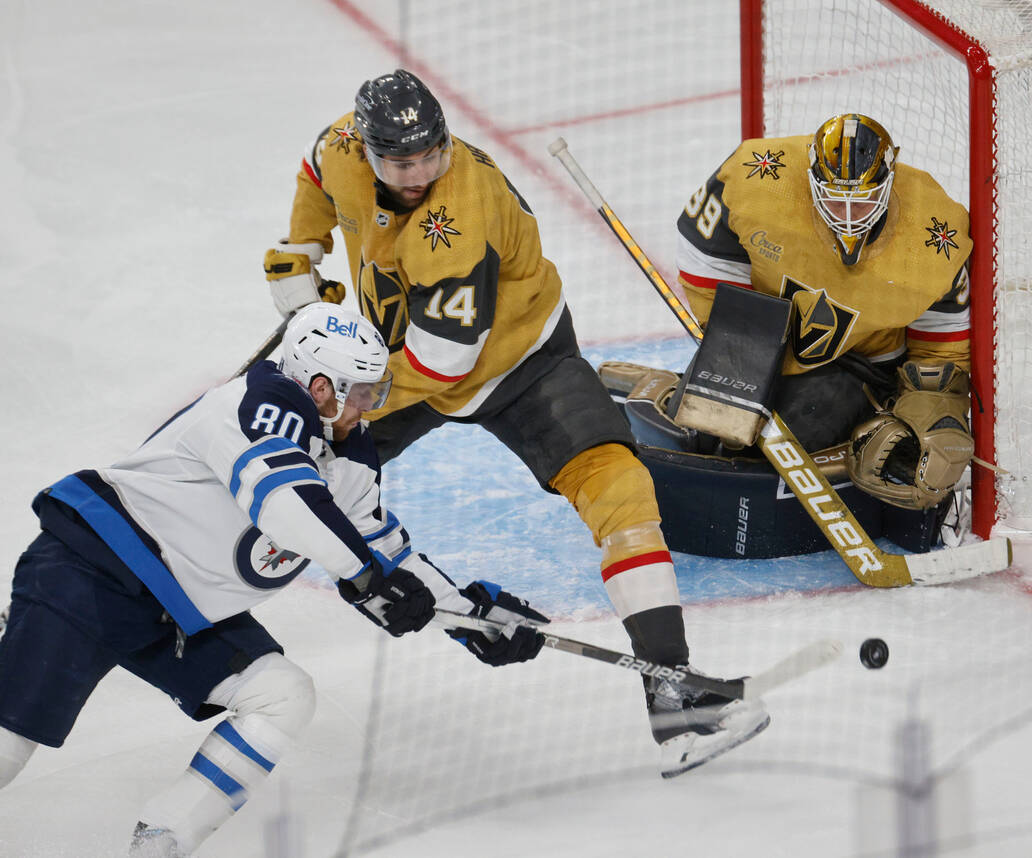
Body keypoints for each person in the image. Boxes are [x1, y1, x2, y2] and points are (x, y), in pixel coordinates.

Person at [262, 69, 769, 778]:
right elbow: (317, 171)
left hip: (520, 362)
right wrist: (302, 247)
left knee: (622, 492)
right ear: (369, 149)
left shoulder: (460, 219)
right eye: (402, 162)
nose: (420, 174)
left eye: (431, 155)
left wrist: (345, 399)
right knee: (275, 457)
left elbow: (441, 368)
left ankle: (675, 697)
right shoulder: (343, 145)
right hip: (392, 347)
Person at [0, 303, 547, 856]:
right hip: (93, 572)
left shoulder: (349, 454)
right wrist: (363, 576)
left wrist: (473, 617)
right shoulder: (255, 405)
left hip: (180, 612)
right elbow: (286, 504)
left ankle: (160, 842)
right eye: (359, 392)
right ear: (316, 386)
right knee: (6, 748)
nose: (370, 406)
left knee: (281, 695)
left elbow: (382, 553)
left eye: (374, 391)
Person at [607, 113, 973, 554]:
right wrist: (735, 346)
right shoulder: (758, 179)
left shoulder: (937, 234)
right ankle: (671, 390)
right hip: (767, 339)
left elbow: (943, 349)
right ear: (812, 179)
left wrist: (925, 409)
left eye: (863, 202)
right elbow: (703, 254)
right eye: (837, 202)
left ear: (889, 182)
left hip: (866, 367)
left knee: (798, 430)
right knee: (714, 430)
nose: (850, 217)